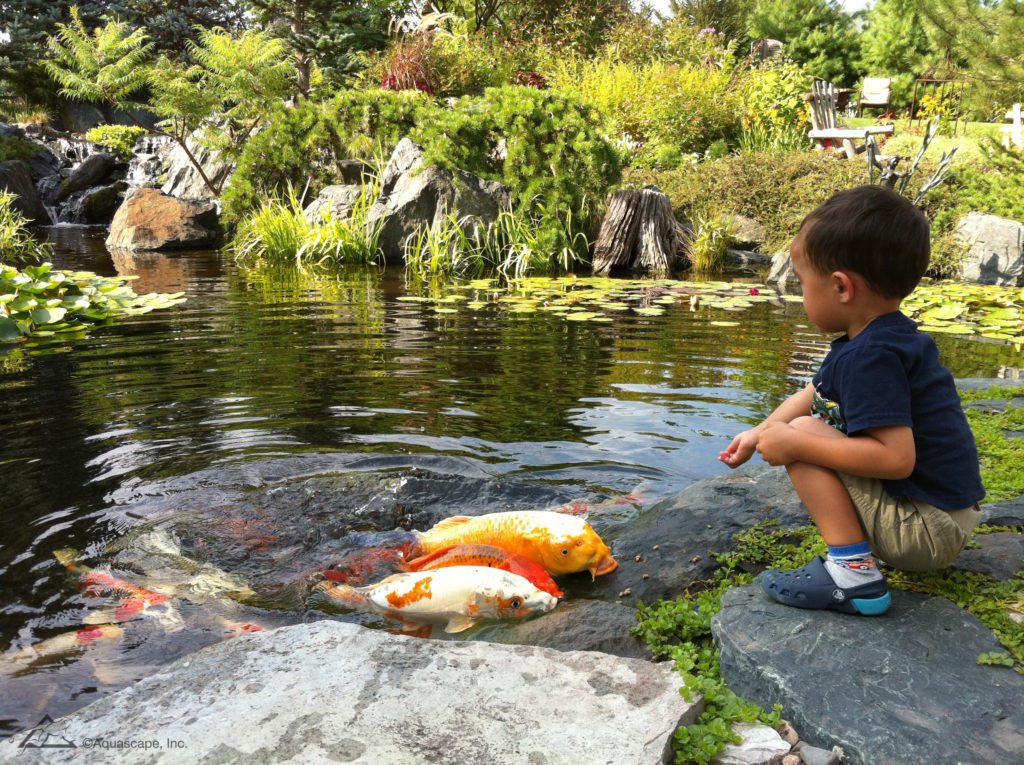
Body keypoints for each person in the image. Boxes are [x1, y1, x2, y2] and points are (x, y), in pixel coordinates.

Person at [718, 185, 985, 616]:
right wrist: (759, 432)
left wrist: (794, 444)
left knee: (803, 435)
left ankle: (854, 575)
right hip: (944, 517)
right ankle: (856, 561)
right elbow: (812, 394)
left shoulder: (870, 358)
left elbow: (896, 459)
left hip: (927, 531)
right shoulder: (882, 338)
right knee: (799, 426)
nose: (799, 295)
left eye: (803, 283)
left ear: (841, 287)